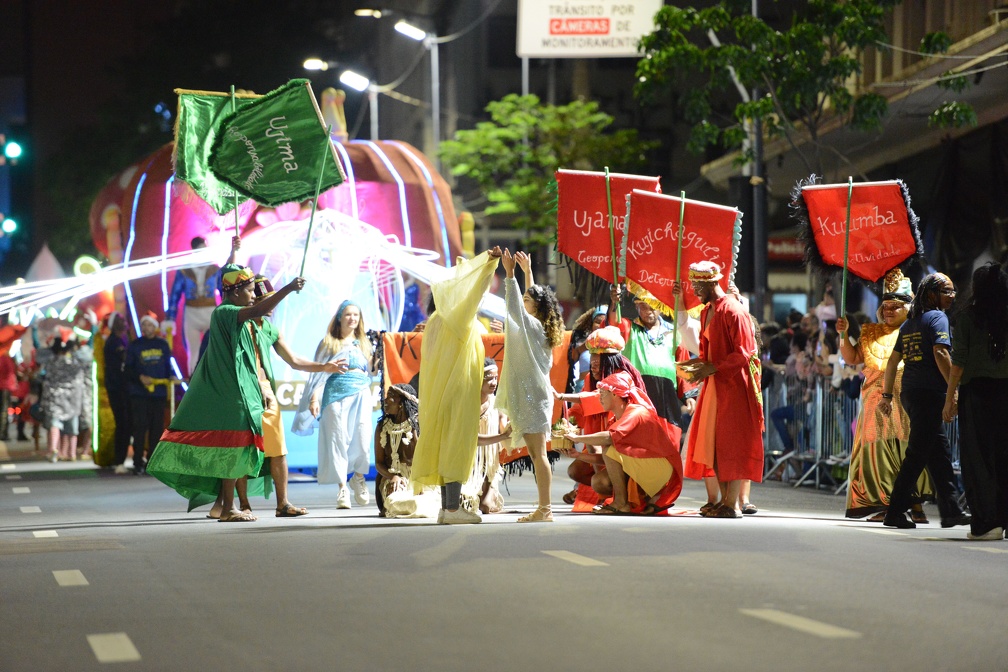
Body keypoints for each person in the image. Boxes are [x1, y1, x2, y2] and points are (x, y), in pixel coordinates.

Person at [147, 265, 306, 522]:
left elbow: (252, 303)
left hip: (244, 394)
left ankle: (231, 506)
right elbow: (257, 309)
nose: (254, 295)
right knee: (231, 449)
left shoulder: (245, 320)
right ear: (234, 293)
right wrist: (288, 288)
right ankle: (230, 507)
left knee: (236, 449)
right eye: (250, 290)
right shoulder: (225, 313)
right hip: (231, 396)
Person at [411, 248, 501, 525]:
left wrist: (472, 266)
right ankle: (451, 510)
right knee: (456, 448)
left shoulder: (436, 321)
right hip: (459, 392)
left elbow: (469, 291)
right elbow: (474, 294)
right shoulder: (457, 320)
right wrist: (489, 265)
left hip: (443, 395)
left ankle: (446, 508)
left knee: (447, 446)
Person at [238, 275, 340, 518]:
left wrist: (324, 367)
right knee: (240, 449)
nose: (271, 307)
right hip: (244, 393)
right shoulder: (239, 323)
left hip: (267, 394)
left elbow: (294, 360)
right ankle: (243, 505)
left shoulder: (271, 329)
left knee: (278, 451)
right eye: (266, 301)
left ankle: (282, 503)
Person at [837, 269, 931, 522]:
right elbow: (852, 358)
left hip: (906, 401)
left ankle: (913, 504)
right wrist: (844, 335)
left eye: (896, 306)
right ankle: (886, 503)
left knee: (909, 450)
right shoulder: (870, 332)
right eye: (886, 305)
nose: (889, 310)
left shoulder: (917, 331)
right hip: (875, 404)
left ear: (909, 308)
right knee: (878, 451)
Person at [880, 273, 971, 529]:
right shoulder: (938, 317)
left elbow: (892, 362)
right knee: (917, 454)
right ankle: (895, 511)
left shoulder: (910, 323)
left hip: (911, 394)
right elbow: (941, 352)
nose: (952, 296)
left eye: (953, 291)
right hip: (929, 394)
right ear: (931, 294)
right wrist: (954, 390)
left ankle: (951, 510)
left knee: (939, 454)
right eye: (947, 291)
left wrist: (887, 395)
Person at [680, 261, 764, 518]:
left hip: (735, 386)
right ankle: (725, 501)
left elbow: (745, 353)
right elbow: (707, 354)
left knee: (732, 444)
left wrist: (712, 367)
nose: (694, 290)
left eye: (697, 285)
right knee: (714, 444)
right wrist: (694, 366)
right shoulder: (707, 311)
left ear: (711, 283)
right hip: (715, 385)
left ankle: (733, 504)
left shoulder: (734, 311)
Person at [497, 249, 564, 523]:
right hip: (535, 395)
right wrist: (528, 274)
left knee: (539, 455)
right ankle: (543, 508)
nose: (524, 301)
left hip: (534, 397)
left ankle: (545, 510)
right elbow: (526, 303)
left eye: (529, 299)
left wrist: (510, 274)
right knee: (538, 454)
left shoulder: (532, 326)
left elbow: (515, 308)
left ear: (536, 307)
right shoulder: (540, 325)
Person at [942, 263, 1008, 540]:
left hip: (978, 394)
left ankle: (987, 523)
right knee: (1004, 455)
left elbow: (958, 363)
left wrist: (949, 399)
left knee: (978, 458)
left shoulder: (968, 317)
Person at [292, 300, 375, 509]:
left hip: (362, 396)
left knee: (363, 441)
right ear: (340, 317)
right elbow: (320, 374)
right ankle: (342, 489)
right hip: (335, 397)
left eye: (356, 314)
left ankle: (357, 477)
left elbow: (372, 371)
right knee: (337, 441)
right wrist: (314, 398)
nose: (352, 318)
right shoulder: (329, 342)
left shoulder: (366, 343)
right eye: (348, 314)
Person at [563, 371, 683, 514]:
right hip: (646, 467)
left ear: (615, 394)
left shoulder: (636, 411)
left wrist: (576, 438)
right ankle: (639, 500)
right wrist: (577, 455)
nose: (600, 398)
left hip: (660, 471)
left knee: (608, 446)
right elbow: (608, 458)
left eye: (603, 393)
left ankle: (622, 503)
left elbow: (609, 438)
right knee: (599, 482)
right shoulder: (616, 418)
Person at [165, 236, 239, 377]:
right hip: (191, 313)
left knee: (215, 348)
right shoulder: (185, 271)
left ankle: (214, 378)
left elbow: (224, 290)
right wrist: (170, 318)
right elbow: (174, 296)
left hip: (210, 312)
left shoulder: (214, 270)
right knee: (193, 351)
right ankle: (194, 383)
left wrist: (230, 311)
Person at [124, 314, 174, 475]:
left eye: (150, 325)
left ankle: (152, 462)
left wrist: (171, 376)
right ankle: (137, 461)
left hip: (158, 394)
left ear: (155, 327)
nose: (147, 328)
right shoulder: (135, 345)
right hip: (139, 394)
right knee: (140, 427)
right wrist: (140, 377)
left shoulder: (162, 344)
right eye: (144, 325)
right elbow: (128, 369)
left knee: (156, 428)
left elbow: (168, 365)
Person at [36, 330, 92, 462]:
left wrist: (53, 344)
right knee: (72, 427)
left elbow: (38, 354)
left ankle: (53, 449)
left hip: (54, 396)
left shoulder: (51, 357)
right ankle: (71, 453)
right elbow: (89, 353)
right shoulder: (76, 359)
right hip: (73, 397)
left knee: (54, 424)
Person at [103, 312, 132, 473]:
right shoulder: (114, 342)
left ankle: (119, 458)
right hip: (117, 389)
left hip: (122, 388)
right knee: (123, 423)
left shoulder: (123, 340)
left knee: (125, 424)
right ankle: (119, 459)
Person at [566, 305, 608, 393]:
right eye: (597, 321)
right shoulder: (582, 347)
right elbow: (567, 366)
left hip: (602, 392)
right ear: (591, 323)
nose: (600, 325)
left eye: (604, 322)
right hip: (581, 392)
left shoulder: (614, 347)